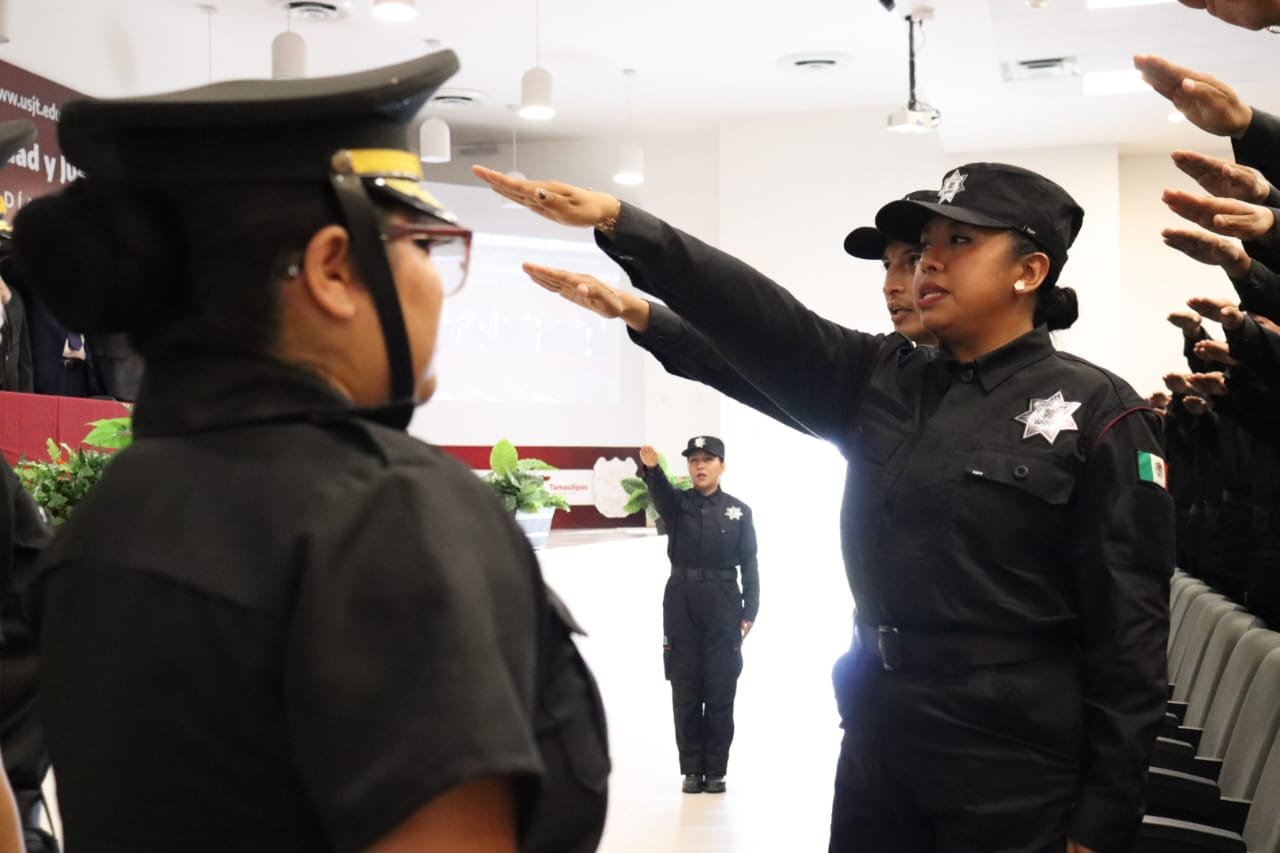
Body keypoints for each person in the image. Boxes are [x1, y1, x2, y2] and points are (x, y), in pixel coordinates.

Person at [474, 161, 1173, 853]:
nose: (928, 263)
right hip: (880, 729)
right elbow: (763, 321)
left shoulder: (1101, 411)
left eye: (959, 242)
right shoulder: (882, 377)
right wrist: (623, 224)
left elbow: (1131, 637)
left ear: (1029, 271)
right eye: (927, 245)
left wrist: (1104, 817)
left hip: (1014, 758)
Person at [12, 53, 609, 853]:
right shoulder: (385, 512)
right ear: (333, 269)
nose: (437, 282)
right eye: (424, 244)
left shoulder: (107, 514)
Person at [638, 437, 757, 795]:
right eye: (693, 461)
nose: (700, 466)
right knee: (685, 688)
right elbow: (659, 492)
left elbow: (749, 563)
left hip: (724, 602)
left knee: (721, 687)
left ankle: (716, 770)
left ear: (722, 466)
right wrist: (653, 469)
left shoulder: (739, 511)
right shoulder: (678, 505)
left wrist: (750, 609)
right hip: (682, 602)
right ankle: (692, 770)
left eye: (707, 459)